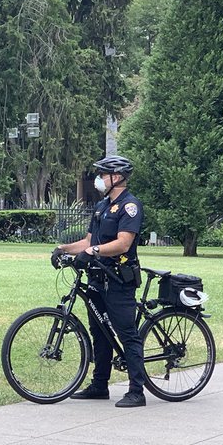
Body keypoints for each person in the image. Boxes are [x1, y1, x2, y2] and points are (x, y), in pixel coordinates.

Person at [52, 155, 148, 408]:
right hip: (98, 278)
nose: (100, 179)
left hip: (119, 279)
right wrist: (63, 248)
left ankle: (137, 391)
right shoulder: (102, 206)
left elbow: (123, 243)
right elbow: (88, 242)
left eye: (104, 175)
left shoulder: (130, 206)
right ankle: (99, 385)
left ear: (116, 177)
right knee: (100, 333)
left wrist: (93, 252)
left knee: (127, 333)